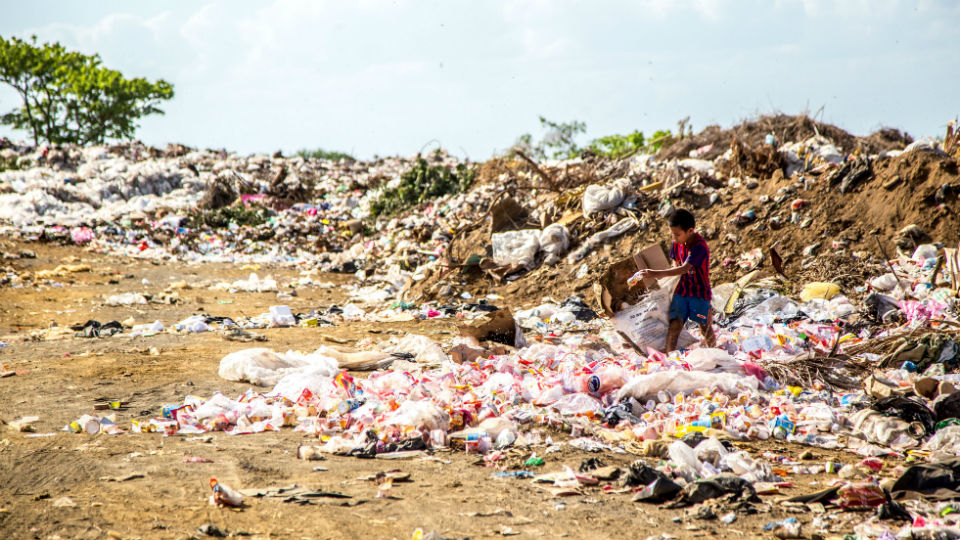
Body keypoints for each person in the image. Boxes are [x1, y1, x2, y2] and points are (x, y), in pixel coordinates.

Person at [634, 208, 716, 352]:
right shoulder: (677, 243)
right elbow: (675, 265)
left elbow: (684, 268)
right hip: (681, 291)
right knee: (675, 326)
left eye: (677, 234)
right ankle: (670, 359)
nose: (674, 238)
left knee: (705, 326)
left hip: (698, 292)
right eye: (672, 234)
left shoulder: (699, 247)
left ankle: (715, 353)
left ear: (690, 231)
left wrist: (654, 273)